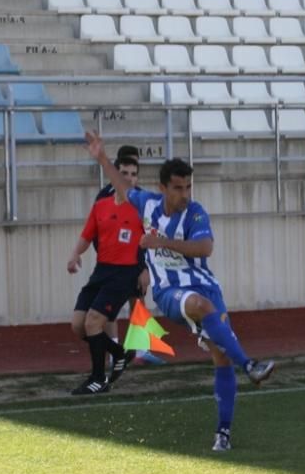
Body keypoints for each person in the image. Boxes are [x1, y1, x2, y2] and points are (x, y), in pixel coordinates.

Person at [83, 131, 276, 451]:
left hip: (206, 287)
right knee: (200, 306)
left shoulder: (196, 212)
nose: (185, 193)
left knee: (220, 355)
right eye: (178, 187)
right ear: (162, 188)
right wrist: (102, 157)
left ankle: (223, 434)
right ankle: (251, 366)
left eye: (188, 187)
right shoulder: (147, 204)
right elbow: (122, 186)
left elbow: (206, 247)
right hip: (170, 291)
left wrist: (162, 242)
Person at [66, 152, 144, 394]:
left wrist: (146, 269)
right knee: (78, 325)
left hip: (126, 273)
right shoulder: (101, 204)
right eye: (124, 174)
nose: (129, 179)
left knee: (94, 322)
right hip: (102, 270)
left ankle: (98, 379)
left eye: (133, 174)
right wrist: (75, 254)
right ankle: (119, 352)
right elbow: (88, 233)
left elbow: (154, 239)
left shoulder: (143, 205)